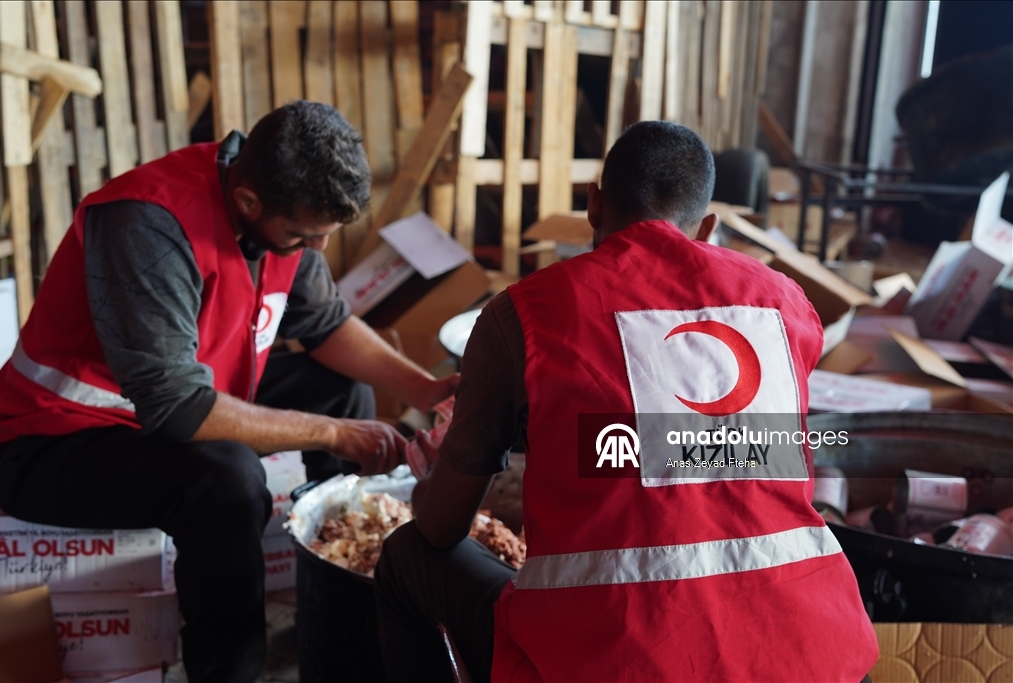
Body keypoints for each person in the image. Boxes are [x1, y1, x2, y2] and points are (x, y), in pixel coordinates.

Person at [375, 121, 879, 682]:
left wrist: (430, 478)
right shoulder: (782, 303)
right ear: (708, 228)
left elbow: (443, 526)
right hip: (816, 652)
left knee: (406, 556)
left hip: (620, 662)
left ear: (592, 203)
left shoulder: (525, 313)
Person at [0, 101, 456, 682]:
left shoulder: (283, 212)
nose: (316, 254)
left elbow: (326, 324)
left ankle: (333, 591)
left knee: (342, 391)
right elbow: (178, 408)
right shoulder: (148, 222)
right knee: (228, 482)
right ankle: (230, 669)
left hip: (165, 406)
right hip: (51, 439)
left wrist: (428, 386)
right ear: (248, 202)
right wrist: (336, 435)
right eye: (303, 238)